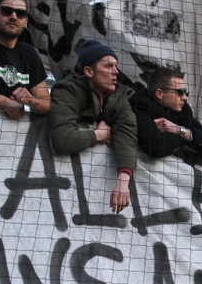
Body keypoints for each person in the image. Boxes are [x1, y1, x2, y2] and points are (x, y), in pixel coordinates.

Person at [49, 39, 136, 213]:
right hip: (58, 183)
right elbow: (62, 139)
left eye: (115, 66)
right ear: (88, 71)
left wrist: (123, 182)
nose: (116, 72)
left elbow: (127, 137)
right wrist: (99, 135)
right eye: (108, 66)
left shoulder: (120, 97)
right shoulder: (67, 90)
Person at [129, 67, 202, 158]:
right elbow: (155, 147)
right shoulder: (140, 105)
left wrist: (179, 130)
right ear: (159, 93)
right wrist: (185, 138)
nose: (185, 97)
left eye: (186, 93)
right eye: (179, 92)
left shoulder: (182, 110)